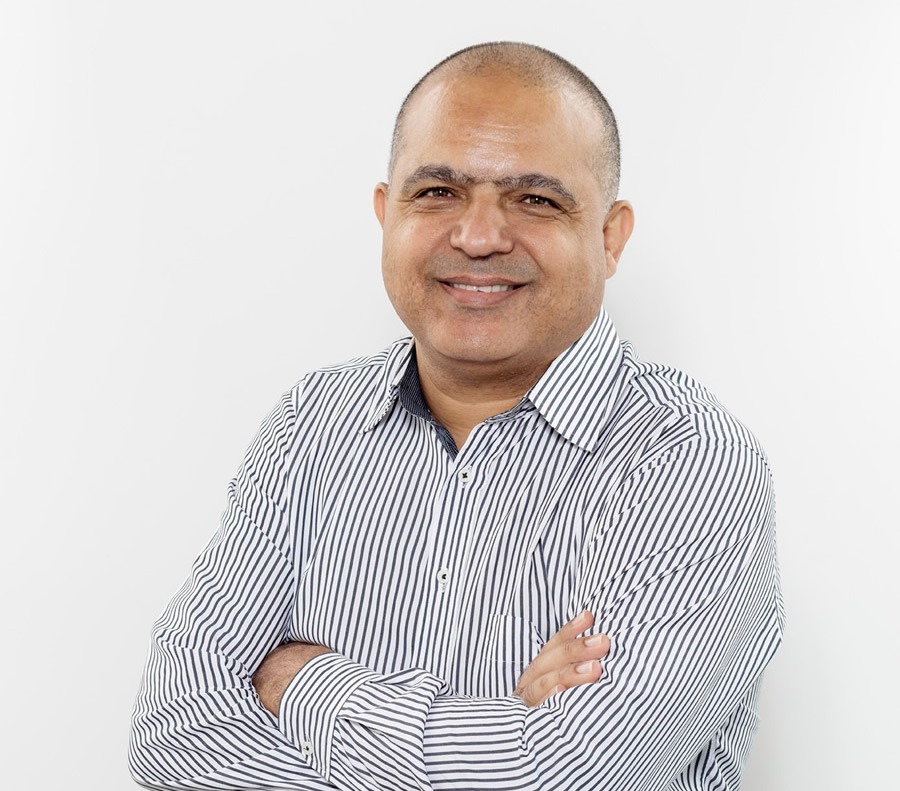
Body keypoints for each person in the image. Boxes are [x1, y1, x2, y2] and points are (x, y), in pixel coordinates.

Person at [130, 41, 783, 790]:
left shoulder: (688, 461)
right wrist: (507, 729)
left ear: (610, 237)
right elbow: (169, 738)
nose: (477, 237)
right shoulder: (311, 426)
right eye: (439, 191)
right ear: (387, 214)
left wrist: (305, 681)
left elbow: (572, 776)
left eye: (535, 200)